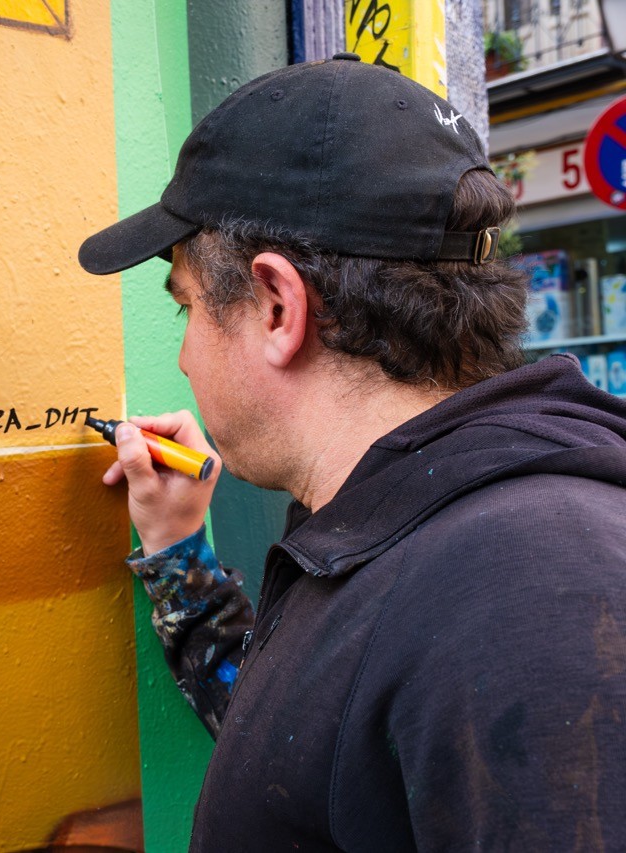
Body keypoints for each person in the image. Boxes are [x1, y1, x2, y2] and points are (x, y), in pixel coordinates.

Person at [79, 53, 626, 850]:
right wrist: (178, 556)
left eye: (186, 307)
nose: (186, 358)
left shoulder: (530, 591)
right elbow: (313, 761)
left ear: (277, 306)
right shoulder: (412, 529)